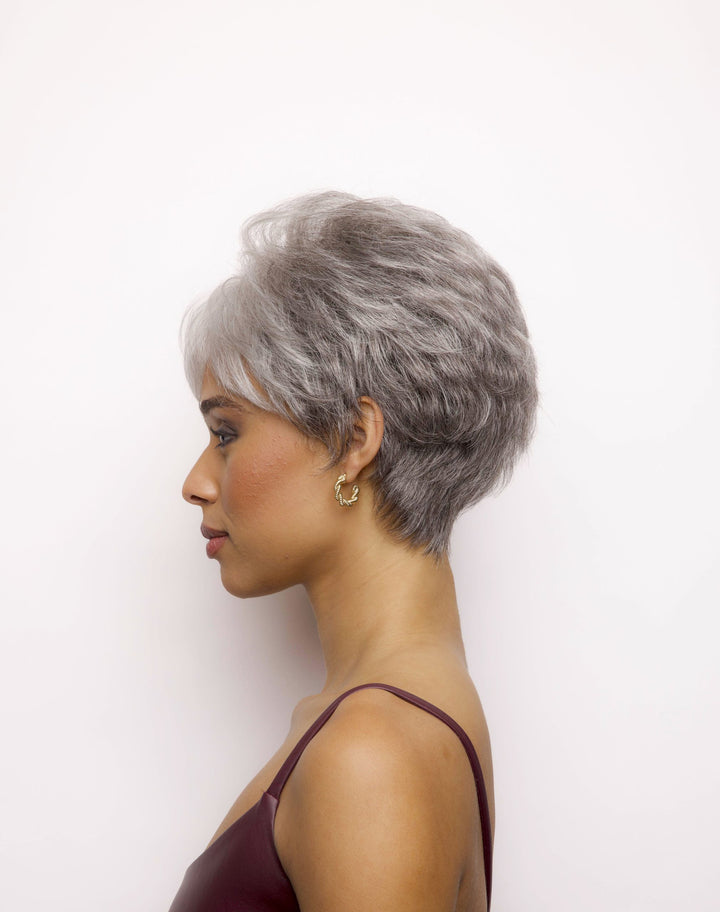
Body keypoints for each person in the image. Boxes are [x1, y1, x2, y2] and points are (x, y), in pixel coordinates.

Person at [169, 191, 538, 912]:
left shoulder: (371, 753)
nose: (195, 483)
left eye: (226, 433)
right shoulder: (395, 719)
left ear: (353, 440)